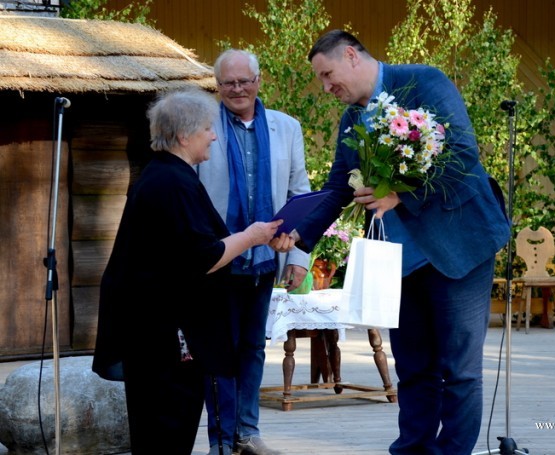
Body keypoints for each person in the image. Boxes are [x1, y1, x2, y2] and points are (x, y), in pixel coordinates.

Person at [292, 30, 511, 454]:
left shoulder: (423, 82)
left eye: (327, 74)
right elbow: (338, 188)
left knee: (460, 370)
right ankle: (411, 449)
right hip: (399, 263)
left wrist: (399, 195)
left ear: (351, 55)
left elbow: (462, 155)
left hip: (459, 250)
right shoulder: (352, 119)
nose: (326, 86)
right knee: (412, 368)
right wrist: (300, 236)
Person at [91, 88, 294, 454]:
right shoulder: (171, 182)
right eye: (207, 129)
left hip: (156, 336)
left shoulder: (167, 175)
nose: (214, 136)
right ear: (185, 136)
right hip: (161, 342)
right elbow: (204, 257)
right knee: (166, 434)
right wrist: (252, 237)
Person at [195, 49, 311, 455]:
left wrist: (298, 257)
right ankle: (221, 439)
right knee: (218, 352)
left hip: (265, 261)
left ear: (259, 81)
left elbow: (300, 194)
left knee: (253, 349)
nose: (237, 89)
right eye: (228, 82)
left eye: (244, 81)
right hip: (218, 258)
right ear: (217, 86)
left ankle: (247, 431)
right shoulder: (202, 125)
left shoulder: (287, 127)